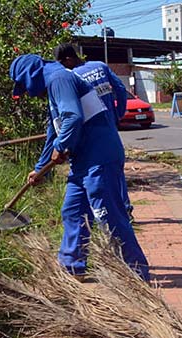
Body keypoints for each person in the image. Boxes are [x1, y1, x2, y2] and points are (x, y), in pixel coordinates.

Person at [9, 53, 150, 281]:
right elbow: (53, 131)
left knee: (110, 216)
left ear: (30, 77)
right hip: (82, 163)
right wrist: (41, 168)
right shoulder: (55, 85)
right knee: (73, 211)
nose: (29, 94)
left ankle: (137, 275)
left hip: (99, 158)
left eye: (25, 88)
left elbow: (72, 118)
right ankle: (72, 268)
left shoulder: (58, 79)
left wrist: (62, 145)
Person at [54, 43, 135, 221]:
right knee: (116, 168)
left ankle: (106, 215)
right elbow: (120, 90)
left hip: (91, 132)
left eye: (62, 63)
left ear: (68, 59)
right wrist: (117, 114)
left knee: (95, 172)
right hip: (109, 125)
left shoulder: (71, 76)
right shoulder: (100, 66)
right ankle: (125, 209)